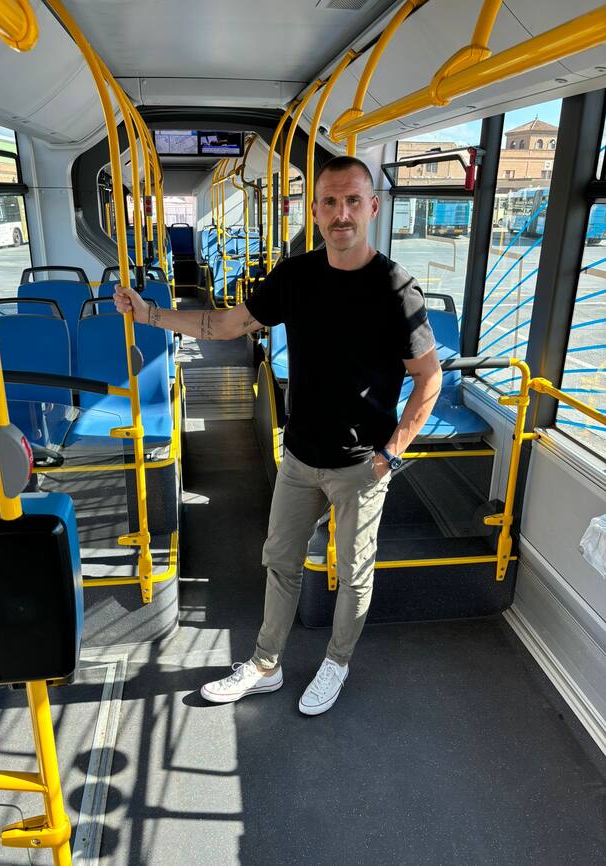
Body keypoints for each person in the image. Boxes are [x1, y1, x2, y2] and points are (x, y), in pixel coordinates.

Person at [114, 155, 442, 716]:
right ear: (314, 211)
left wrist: (391, 455)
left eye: (353, 201)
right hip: (298, 458)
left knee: (353, 574)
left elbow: (428, 377)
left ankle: (336, 662)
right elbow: (224, 325)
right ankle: (266, 664)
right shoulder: (295, 277)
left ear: (373, 208)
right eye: (331, 202)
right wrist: (149, 315)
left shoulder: (396, 289)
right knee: (280, 561)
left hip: (363, 465)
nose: (342, 213)